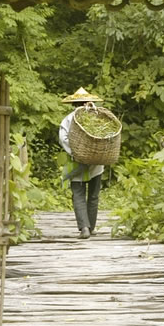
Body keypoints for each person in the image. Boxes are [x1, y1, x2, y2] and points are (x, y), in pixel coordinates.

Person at [59, 87, 104, 239]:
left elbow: (63, 139)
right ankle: (90, 227)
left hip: (76, 161)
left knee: (78, 194)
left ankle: (84, 227)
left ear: (74, 104)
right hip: (96, 162)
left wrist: (76, 152)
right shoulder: (98, 117)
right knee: (93, 195)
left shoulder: (68, 119)